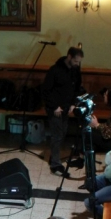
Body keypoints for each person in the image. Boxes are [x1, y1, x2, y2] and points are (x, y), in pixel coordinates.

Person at [40, 46, 84, 174]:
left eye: (79, 62)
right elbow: (46, 90)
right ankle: (55, 164)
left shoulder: (75, 71)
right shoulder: (55, 70)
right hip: (55, 108)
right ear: (69, 57)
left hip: (66, 107)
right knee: (57, 134)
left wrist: (73, 103)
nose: (77, 64)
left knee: (63, 132)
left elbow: (76, 88)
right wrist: (54, 106)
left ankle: (54, 157)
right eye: (76, 61)